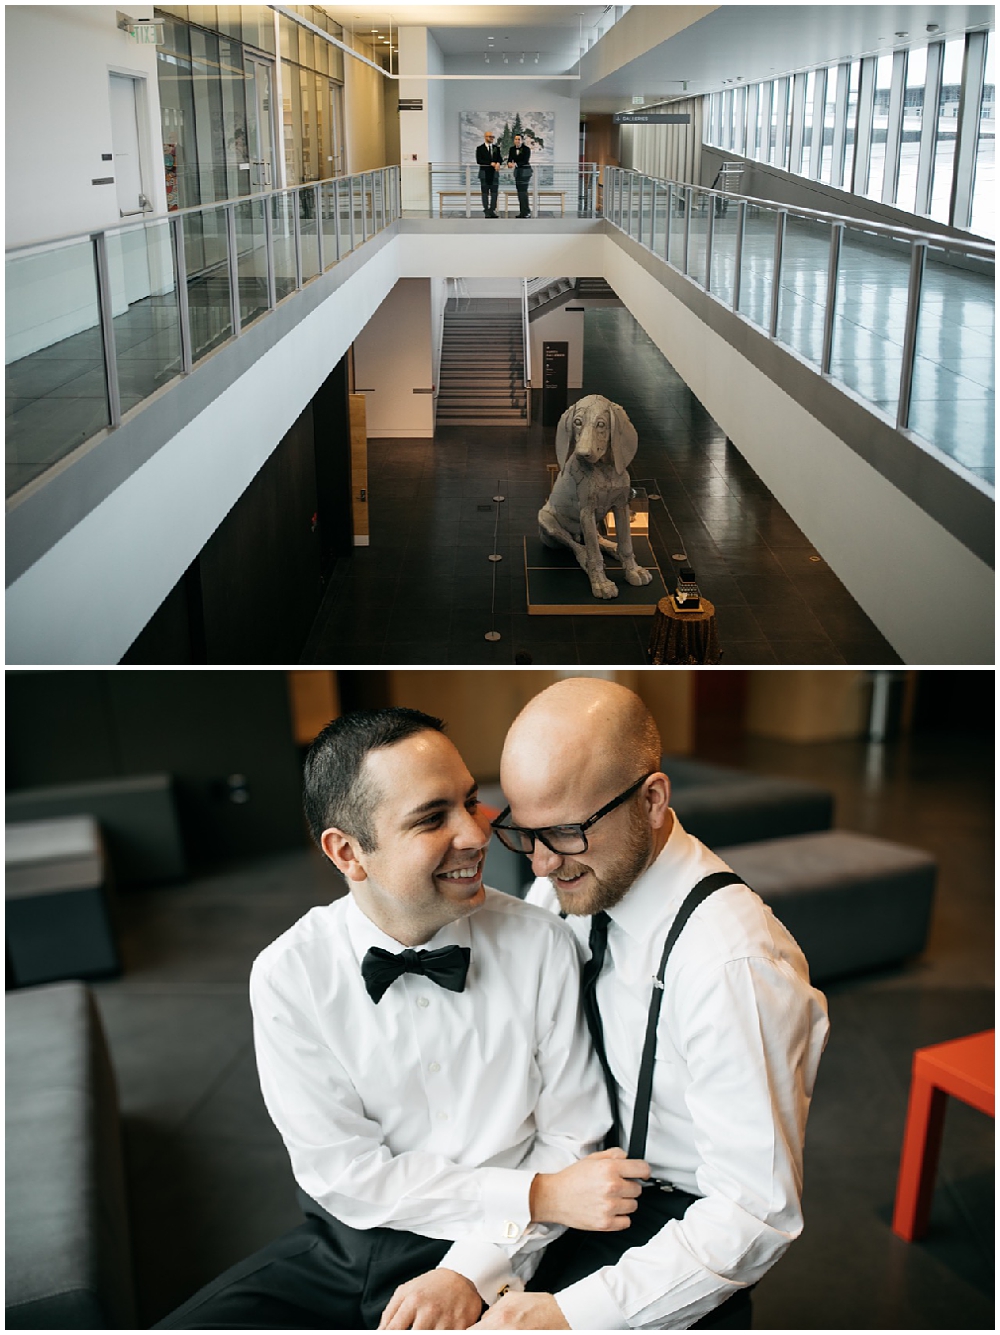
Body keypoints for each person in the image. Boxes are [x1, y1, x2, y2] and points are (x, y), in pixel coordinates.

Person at [156, 706, 631, 1331]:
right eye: (432, 818)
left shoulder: (542, 943)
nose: (477, 833)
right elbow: (343, 1173)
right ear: (348, 852)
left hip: (520, 1244)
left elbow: (573, 1137)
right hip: (357, 1241)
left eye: (470, 800)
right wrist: (536, 1193)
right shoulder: (290, 975)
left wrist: (470, 1271)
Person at [474, 678, 830, 1331]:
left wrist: (569, 1316)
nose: (543, 867)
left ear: (653, 799)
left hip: (681, 1239)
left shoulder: (730, 964)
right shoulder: (569, 884)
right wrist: (474, 1266)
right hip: (572, 1186)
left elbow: (753, 1213)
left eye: (567, 831)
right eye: (524, 834)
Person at [476, 129, 502, 218]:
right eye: (490, 137)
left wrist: (498, 163)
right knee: (485, 193)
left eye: (493, 137)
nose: (492, 138)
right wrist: (490, 163)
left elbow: (500, 158)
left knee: (494, 193)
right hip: (484, 173)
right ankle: (486, 210)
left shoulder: (496, 148)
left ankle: (492, 210)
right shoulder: (480, 149)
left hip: (494, 174)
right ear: (485, 137)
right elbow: (479, 160)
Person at [507, 133, 532, 217]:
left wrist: (515, 164)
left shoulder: (526, 149)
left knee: (523, 192)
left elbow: (525, 160)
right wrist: (509, 163)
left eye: (519, 139)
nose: (517, 141)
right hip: (518, 173)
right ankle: (523, 212)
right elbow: (510, 159)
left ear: (522, 140)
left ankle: (526, 212)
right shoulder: (512, 149)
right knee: (520, 192)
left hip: (525, 172)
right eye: (516, 139)